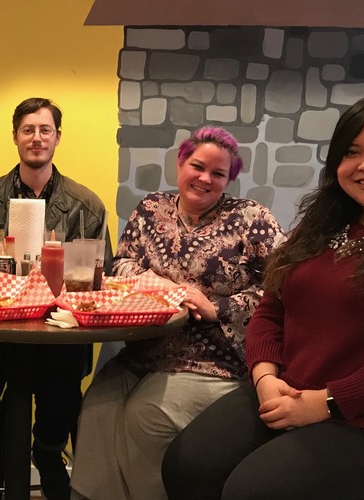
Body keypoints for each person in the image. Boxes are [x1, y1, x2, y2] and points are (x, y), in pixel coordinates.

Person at [162, 94, 364, 499]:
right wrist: (264, 377)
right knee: (188, 464)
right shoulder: (320, 226)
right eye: (352, 152)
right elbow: (270, 308)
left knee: (253, 490)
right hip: (285, 388)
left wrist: (328, 401)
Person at [70, 126, 285, 500]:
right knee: (96, 409)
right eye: (197, 166)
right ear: (180, 163)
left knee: (145, 416)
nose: (204, 178)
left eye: (218, 174)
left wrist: (216, 307)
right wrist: (152, 281)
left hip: (216, 359)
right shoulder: (150, 209)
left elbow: (283, 289)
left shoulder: (252, 218)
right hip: (145, 349)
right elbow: (121, 263)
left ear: (228, 180)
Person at [0, 97, 112, 500]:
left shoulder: (86, 204)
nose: (36, 138)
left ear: (58, 137)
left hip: (56, 328)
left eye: (45, 130)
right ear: (15, 137)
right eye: (28, 129)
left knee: (61, 402)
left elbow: (100, 276)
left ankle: (46, 451)